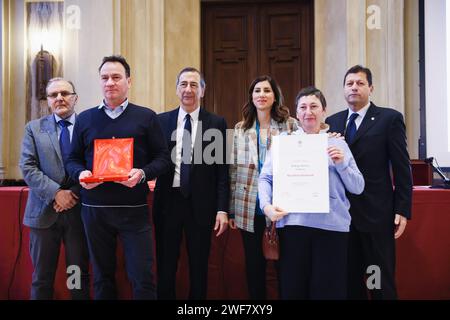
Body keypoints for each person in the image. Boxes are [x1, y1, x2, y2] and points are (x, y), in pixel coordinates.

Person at [65, 55, 170, 300]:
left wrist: (142, 173)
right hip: (94, 211)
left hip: (134, 210)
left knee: (142, 277)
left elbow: (163, 159)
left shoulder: (146, 117)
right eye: (105, 78)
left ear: (128, 81)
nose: (110, 82)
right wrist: (81, 173)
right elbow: (71, 159)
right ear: (99, 82)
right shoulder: (85, 119)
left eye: (116, 77)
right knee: (102, 278)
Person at [259, 86, 365, 299]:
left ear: (324, 111)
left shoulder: (337, 143)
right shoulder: (283, 143)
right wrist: (267, 206)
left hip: (332, 230)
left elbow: (358, 187)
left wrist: (342, 163)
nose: (309, 112)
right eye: (303, 107)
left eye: (314, 106)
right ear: (296, 114)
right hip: (293, 227)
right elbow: (265, 178)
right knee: (293, 290)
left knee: (329, 292)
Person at [325, 65, 413, 300]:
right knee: (349, 281)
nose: (354, 87)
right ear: (343, 89)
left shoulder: (388, 119)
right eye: (349, 83)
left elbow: (402, 167)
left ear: (371, 88)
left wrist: (402, 209)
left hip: (376, 216)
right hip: (342, 217)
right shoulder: (332, 122)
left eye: (360, 83)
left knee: (378, 280)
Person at [153, 67, 229, 300]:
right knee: (165, 267)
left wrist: (222, 208)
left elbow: (222, 172)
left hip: (201, 206)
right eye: (184, 84)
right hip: (167, 203)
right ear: (176, 89)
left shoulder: (216, 123)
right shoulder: (160, 121)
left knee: (199, 267)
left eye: (194, 85)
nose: (188, 89)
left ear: (203, 91)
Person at [228, 75, 298, 299]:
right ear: (251, 96)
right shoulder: (241, 128)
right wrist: (231, 209)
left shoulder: (290, 125)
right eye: (257, 91)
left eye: (267, 90)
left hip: (281, 205)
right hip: (248, 205)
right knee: (254, 264)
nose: (261, 95)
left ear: (275, 96)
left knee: (284, 262)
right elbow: (233, 170)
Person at [19, 77, 89, 299]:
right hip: (43, 214)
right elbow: (28, 167)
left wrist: (72, 194)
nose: (59, 98)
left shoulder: (88, 126)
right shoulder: (34, 128)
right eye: (53, 95)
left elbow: (95, 165)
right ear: (48, 101)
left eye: (65, 93)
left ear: (75, 98)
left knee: (76, 274)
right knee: (42, 277)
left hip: (78, 213)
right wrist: (56, 194)